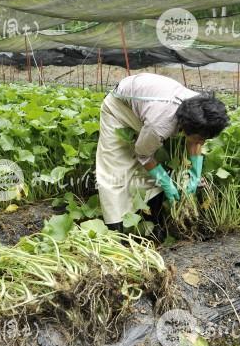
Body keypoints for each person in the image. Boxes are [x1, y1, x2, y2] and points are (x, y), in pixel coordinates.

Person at [96, 72, 229, 231]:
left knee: (149, 170)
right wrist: (166, 183)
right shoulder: (160, 125)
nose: (202, 142)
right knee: (115, 170)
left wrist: (195, 171)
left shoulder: (200, 106)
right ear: (185, 126)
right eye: (200, 138)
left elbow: (195, 139)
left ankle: (152, 221)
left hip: (147, 105)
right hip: (118, 110)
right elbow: (143, 155)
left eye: (206, 139)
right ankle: (117, 230)